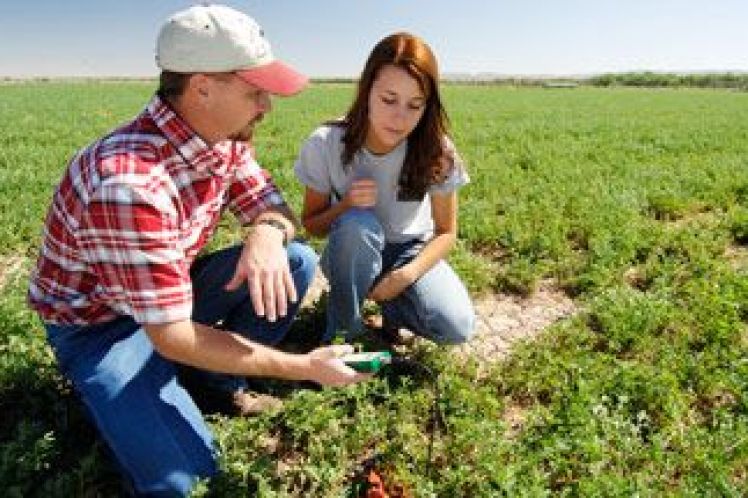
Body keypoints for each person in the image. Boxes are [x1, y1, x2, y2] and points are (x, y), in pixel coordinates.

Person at [27, 4, 368, 496]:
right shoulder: (128, 184)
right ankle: (136, 389)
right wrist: (306, 367)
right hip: (102, 327)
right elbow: (172, 335)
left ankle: (212, 381)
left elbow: (269, 203)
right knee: (187, 480)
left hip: (167, 297)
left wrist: (267, 233)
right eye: (254, 92)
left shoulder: (222, 138)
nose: (266, 107)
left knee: (293, 261)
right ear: (202, 86)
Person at [294, 33, 476, 345]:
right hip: (350, 249)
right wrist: (346, 205)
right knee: (356, 225)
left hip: (409, 252)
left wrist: (406, 275)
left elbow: (446, 232)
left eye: (414, 105)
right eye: (388, 100)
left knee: (455, 327)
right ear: (366, 92)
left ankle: (391, 308)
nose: (400, 117)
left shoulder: (436, 149)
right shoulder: (325, 143)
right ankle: (342, 332)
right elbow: (312, 226)